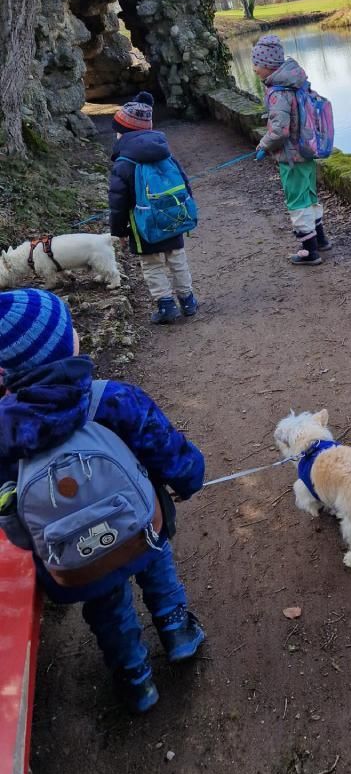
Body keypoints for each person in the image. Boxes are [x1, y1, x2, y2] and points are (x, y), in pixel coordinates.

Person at [0, 289, 206, 713]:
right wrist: (190, 477)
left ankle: (134, 678)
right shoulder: (110, 398)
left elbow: (9, 509)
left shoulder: (6, 432)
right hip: (140, 529)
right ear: (64, 347)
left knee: (106, 604)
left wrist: (38, 550)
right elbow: (162, 446)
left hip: (77, 558)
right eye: (70, 328)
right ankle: (178, 631)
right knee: (157, 564)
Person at [108, 91, 199, 324]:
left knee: (152, 265)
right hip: (173, 217)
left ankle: (166, 306)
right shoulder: (164, 151)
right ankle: (188, 301)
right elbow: (184, 181)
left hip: (144, 224)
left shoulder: (124, 163)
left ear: (125, 132)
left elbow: (118, 200)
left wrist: (117, 230)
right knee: (178, 259)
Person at [252, 35, 332, 266]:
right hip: (307, 151)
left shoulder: (278, 93)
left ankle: (309, 251)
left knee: (297, 202)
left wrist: (263, 145)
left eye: (256, 64)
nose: (254, 69)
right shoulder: (296, 82)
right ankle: (321, 239)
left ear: (268, 65)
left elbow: (279, 131)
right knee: (310, 196)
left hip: (291, 157)